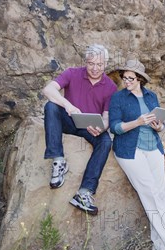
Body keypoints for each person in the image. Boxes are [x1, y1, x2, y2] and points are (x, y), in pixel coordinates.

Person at [108, 59, 165, 250]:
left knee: (160, 195)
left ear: (139, 79)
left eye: (130, 78)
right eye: (124, 78)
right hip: (129, 150)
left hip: (153, 147)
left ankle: (159, 246)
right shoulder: (118, 98)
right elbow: (114, 127)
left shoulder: (151, 96)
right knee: (149, 192)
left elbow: (161, 126)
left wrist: (158, 126)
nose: (126, 81)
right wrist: (137, 122)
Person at [42, 44, 117, 215]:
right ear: (86, 62)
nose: (95, 68)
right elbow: (48, 89)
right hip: (69, 121)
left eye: (99, 64)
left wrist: (101, 127)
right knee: (51, 107)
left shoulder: (111, 87)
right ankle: (59, 161)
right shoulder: (72, 73)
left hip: (89, 128)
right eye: (91, 64)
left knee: (105, 141)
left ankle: (84, 193)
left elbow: (107, 116)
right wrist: (68, 106)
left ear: (105, 64)